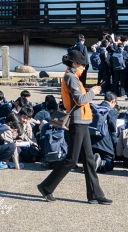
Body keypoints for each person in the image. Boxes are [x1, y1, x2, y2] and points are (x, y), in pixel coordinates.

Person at [36, 49, 110, 204]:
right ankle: (46, 186)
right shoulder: (70, 77)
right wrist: (93, 92)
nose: (84, 67)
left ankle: (95, 194)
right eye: (82, 65)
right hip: (77, 121)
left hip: (82, 120)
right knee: (71, 159)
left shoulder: (73, 76)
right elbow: (80, 100)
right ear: (75, 63)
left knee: (89, 159)